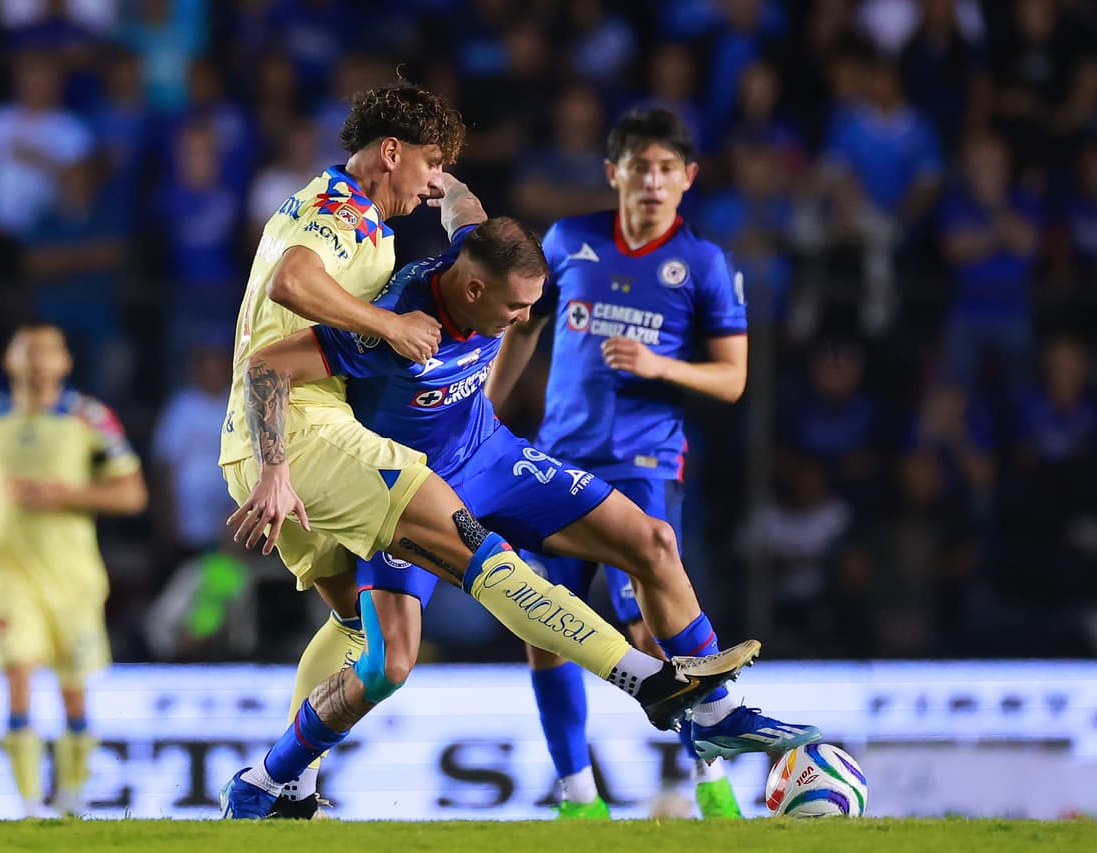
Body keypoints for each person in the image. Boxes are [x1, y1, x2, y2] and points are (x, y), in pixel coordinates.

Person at [217, 83, 760, 819]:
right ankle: (650, 683)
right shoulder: (342, 218)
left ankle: (278, 779)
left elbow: (463, 216)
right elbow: (292, 287)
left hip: (334, 432)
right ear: (390, 153)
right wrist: (381, 324)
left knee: (370, 642)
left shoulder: (382, 219)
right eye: (430, 161)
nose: (432, 179)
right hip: (305, 432)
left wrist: (453, 185)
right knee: (478, 554)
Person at [487, 107, 776, 818]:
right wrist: (486, 411)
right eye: (640, 167)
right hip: (555, 461)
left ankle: (708, 781)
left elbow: (732, 378)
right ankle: (578, 798)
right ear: (614, 173)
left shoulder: (703, 265)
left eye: (666, 168)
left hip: (644, 463)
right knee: (544, 626)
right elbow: (526, 324)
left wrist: (661, 365)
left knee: (649, 628)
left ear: (688, 178)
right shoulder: (569, 240)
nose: (652, 180)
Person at [0, 325, 148, 817]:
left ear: (65, 363)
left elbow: (132, 493)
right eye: (27, 350)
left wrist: (66, 494)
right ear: (10, 361)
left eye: (47, 350)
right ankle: (28, 804)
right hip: (7, 572)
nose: (36, 360)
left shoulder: (89, 418)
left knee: (73, 690)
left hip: (72, 576)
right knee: (17, 675)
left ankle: (70, 797)